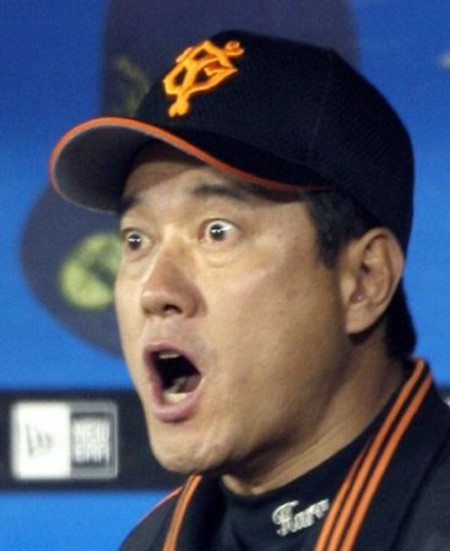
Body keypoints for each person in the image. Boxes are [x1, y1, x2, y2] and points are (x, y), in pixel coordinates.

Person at [49, 31, 450, 551]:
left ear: (365, 281)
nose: (155, 290)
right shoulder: (152, 541)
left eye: (217, 231)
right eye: (136, 240)